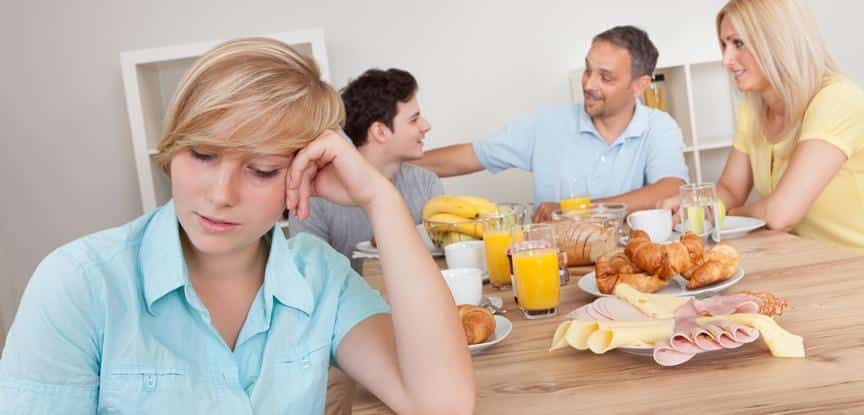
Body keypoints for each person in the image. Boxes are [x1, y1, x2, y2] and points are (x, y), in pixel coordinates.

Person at [0, 38, 475, 414]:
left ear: (301, 171)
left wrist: (378, 197)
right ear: (172, 150)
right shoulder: (78, 285)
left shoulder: (320, 278)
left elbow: (442, 402)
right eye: (202, 155)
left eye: (262, 169)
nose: (221, 194)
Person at [413, 25, 689, 222]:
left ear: (639, 86)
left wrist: (577, 210)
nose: (589, 84)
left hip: (632, 268)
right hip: (557, 270)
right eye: (588, 70)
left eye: (605, 78)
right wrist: (394, 162)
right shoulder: (547, 124)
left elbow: (670, 190)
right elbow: (470, 156)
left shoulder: (658, 127)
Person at [661, 0, 864, 252]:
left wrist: (723, 214)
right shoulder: (753, 109)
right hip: (802, 259)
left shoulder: (837, 99)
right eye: (725, 44)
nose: (726, 59)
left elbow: (780, 215)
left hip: (853, 268)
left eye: (738, 43)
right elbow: (730, 189)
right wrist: (690, 202)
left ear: (777, 42)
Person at [289, 68, 443, 272]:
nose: (426, 126)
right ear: (380, 131)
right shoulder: (314, 197)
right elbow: (307, 275)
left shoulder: (426, 183)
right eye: (414, 119)